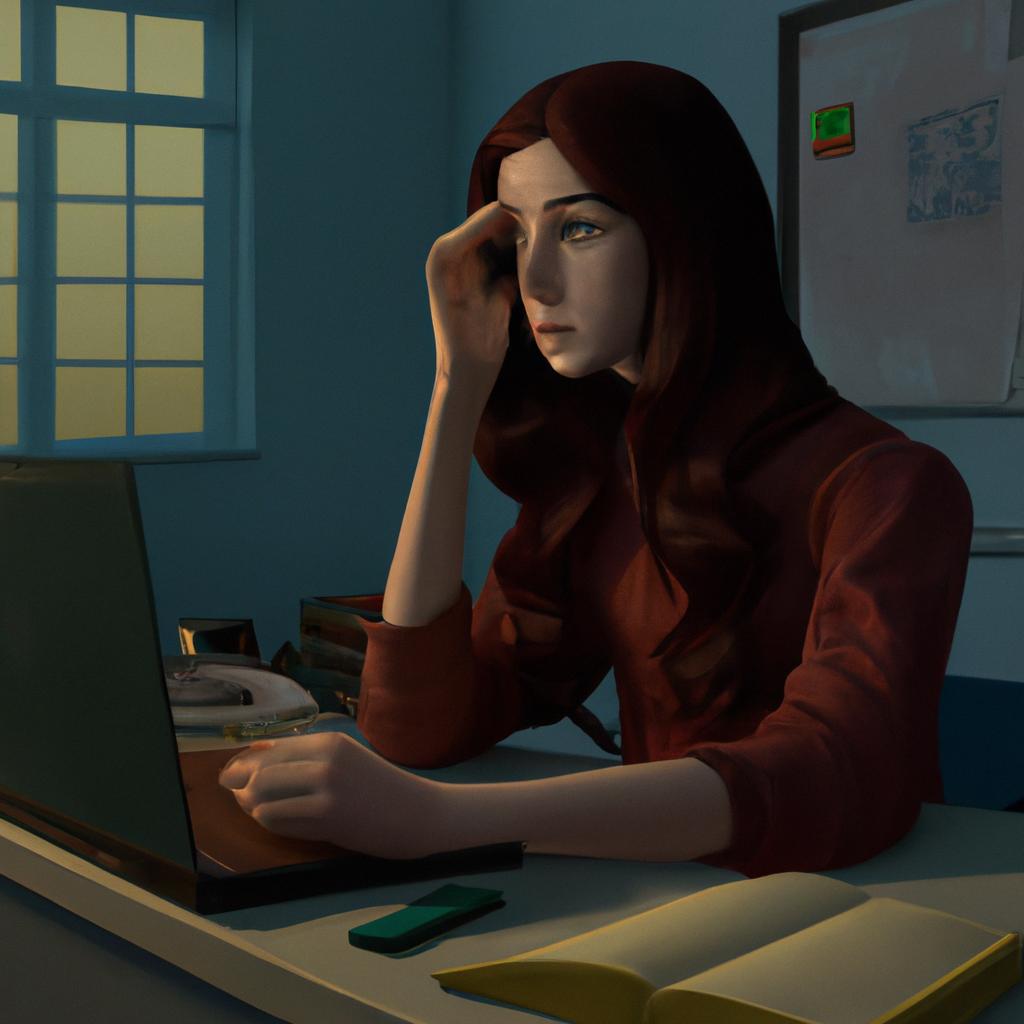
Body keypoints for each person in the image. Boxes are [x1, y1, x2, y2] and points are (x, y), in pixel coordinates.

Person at [219, 62, 973, 877]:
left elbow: (837, 772)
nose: (535, 280)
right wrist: (456, 386)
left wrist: (440, 821)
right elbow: (418, 726)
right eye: (515, 237)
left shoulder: (886, 483)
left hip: (859, 919)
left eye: (579, 228)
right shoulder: (606, 475)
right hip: (656, 900)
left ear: (688, 231)